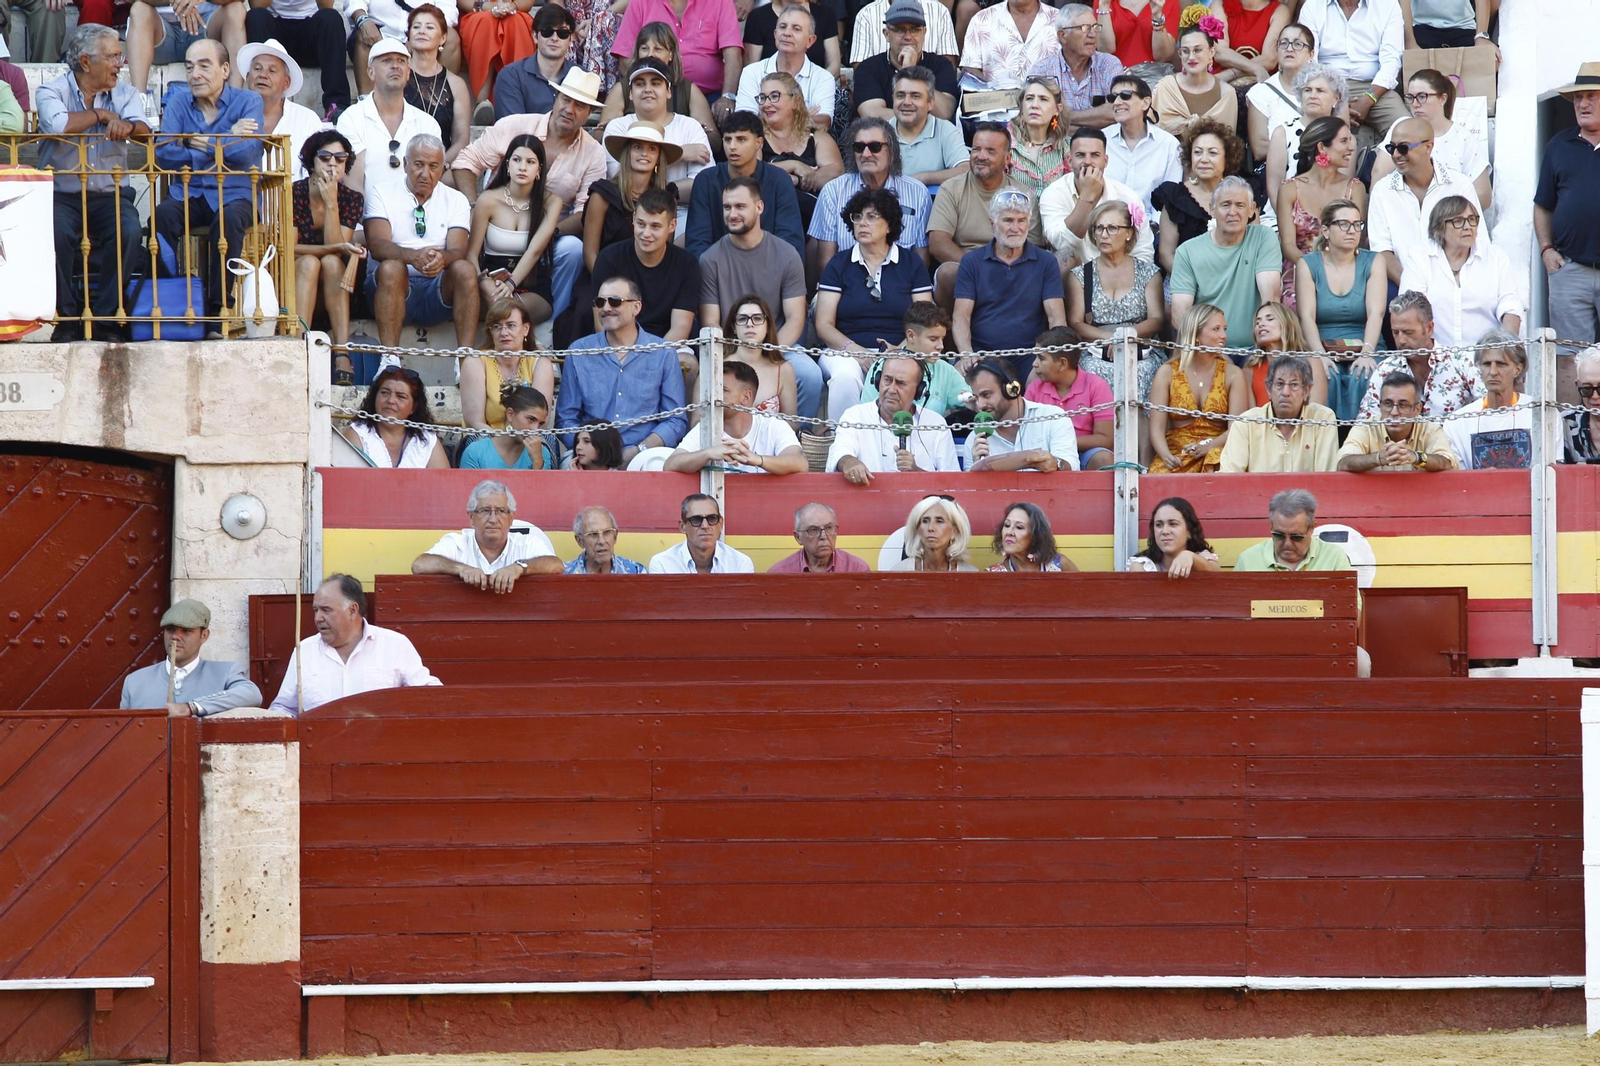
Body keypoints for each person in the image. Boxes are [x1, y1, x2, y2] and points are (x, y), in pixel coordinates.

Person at [39, 25, 151, 343]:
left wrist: (127, 125)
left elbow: (144, 129)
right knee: (55, 233)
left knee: (128, 230)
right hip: (62, 194)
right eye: (113, 56)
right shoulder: (51, 91)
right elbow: (59, 123)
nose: (121, 63)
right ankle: (67, 317)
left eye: (120, 55)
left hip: (109, 194)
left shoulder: (125, 92)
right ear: (86, 62)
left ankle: (106, 318)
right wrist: (101, 114)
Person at [154, 38, 264, 318]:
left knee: (227, 223)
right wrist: (227, 137)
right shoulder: (179, 102)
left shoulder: (249, 100)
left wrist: (193, 142)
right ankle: (167, 303)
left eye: (204, 66)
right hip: (189, 192)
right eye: (189, 68)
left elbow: (247, 152)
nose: (195, 75)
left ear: (225, 70)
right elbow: (163, 154)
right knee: (162, 216)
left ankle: (219, 309)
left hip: (236, 194)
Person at [817, 186, 935, 419]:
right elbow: (823, 324)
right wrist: (856, 352)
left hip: (902, 348)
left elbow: (926, 319)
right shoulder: (839, 264)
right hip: (845, 349)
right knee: (845, 378)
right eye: (857, 216)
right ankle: (842, 444)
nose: (862, 223)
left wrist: (901, 351)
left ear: (890, 224)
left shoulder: (911, 263)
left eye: (872, 216)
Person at [698, 178, 813, 411]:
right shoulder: (710, 260)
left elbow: (795, 319)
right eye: (727, 207)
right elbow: (711, 321)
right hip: (732, 347)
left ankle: (801, 438)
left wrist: (768, 351)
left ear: (759, 207)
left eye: (740, 207)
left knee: (810, 375)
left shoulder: (787, 254)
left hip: (778, 345)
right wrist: (735, 352)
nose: (732, 214)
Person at [364, 134, 479, 350]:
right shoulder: (381, 193)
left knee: (465, 270)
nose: (425, 174)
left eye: (433, 166)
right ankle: (390, 358)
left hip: (436, 288)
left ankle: (465, 359)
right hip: (391, 288)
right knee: (391, 268)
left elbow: (458, 250)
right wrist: (413, 257)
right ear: (405, 164)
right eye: (419, 164)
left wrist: (442, 258)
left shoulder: (456, 199)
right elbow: (377, 245)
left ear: (443, 168)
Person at [267, 574, 441, 716]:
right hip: (320, 751)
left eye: (326, 610)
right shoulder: (304, 650)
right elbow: (284, 708)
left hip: (382, 750)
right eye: (315, 610)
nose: (317, 618)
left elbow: (429, 696)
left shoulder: (395, 645)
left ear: (352, 610)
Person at [559, 275, 688, 460]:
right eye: (600, 302)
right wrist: (591, 449)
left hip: (645, 454)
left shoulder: (663, 352)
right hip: (590, 454)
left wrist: (639, 450)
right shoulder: (578, 351)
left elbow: (675, 420)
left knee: (656, 465)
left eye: (614, 301)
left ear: (636, 307)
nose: (606, 308)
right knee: (568, 470)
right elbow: (566, 419)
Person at [953, 188, 1066, 381]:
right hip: (983, 355)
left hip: (1031, 358)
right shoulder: (972, 261)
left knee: (1045, 382)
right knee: (958, 380)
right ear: (992, 223)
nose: (1016, 228)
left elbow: (1056, 318)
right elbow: (961, 316)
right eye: (1008, 220)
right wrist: (966, 354)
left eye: (1021, 220)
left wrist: (1047, 357)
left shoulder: (1046, 262)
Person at [929, 122, 1038, 308]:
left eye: (990, 151)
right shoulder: (952, 188)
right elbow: (938, 243)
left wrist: (1003, 269)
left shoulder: (1022, 194)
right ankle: (948, 336)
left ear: (1007, 158)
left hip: (1012, 266)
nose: (981, 156)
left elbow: (1034, 244)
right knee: (947, 273)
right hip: (965, 266)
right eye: (976, 149)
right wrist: (980, 270)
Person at [1367, 117, 1483, 286]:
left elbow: (1477, 242)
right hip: (1403, 287)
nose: (1396, 154)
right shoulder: (1382, 191)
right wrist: (1412, 286)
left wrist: (1453, 286)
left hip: (1457, 285)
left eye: (1403, 148)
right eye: (1391, 148)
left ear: (1428, 147)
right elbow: (1381, 251)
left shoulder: (1459, 184)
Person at [1169, 176, 1281, 349]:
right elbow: (1180, 317)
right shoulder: (1187, 251)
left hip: (1255, 351)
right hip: (1207, 351)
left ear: (1252, 210)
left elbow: (1270, 297)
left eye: (1240, 205)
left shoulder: (1264, 238)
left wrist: (1262, 350)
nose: (1233, 212)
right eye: (1225, 205)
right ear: (1212, 209)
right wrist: (1210, 354)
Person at [1400, 195, 1524, 352]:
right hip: (1434, 357)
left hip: (1486, 358)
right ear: (1439, 227)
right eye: (1458, 221)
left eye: (1472, 219)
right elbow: (1411, 309)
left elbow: (1510, 307)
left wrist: (1506, 350)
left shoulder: (1496, 257)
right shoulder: (1420, 256)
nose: (1468, 227)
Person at [466, 133, 563, 330]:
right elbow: (471, 253)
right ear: (508, 165)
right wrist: (483, 282)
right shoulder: (488, 200)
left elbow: (535, 251)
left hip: (532, 284)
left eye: (530, 161)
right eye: (517, 160)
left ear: (539, 169)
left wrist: (511, 283)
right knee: (502, 310)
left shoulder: (551, 203)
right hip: (490, 279)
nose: (522, 167)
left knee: (511, 313)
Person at [1535, 63, 1600, 351]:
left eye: (1591, 96)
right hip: (1571, 271)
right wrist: (1547, 250)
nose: (1583, 104)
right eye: (1578, 97)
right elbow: (1542, 205)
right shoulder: (1558, 146)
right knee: (1570, 360)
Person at [809, 117, 933, 266]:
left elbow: (921, 261)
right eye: (859, 147)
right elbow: (827, 264)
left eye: (875, 147)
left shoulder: (917, 193)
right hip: (848, 283)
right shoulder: (833, 192)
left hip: (900, 284)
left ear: (892, 151)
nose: (866, 154)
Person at [293, 130, 366, 380]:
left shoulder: (352, 199)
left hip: (334, 288)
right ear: (311, 162)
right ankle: (298, 344)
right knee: (311, 262)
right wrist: (326, 251)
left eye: (340, 158)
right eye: (324, 157)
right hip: (296, 280)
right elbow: (288, 248)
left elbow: (337, 247)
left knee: (332, 263)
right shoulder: (293, 193)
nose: (332, 164)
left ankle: (342, 352)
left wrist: (332, 203)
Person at [685, 109, 805, 260]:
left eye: (741, 139)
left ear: (758, 143)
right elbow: (697, 244)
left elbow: (790, 242)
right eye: (728, 140)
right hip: (718, 272)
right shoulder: (706, 180)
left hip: (769, 272)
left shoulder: (779, 180)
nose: (732, 146)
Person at [1065, 200, 1164, 379]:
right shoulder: (1080, 275)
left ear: (1129, 233)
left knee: (1143, 370)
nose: (1104, 234)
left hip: (1140, 346)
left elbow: (1156, 319)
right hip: (1096, 348)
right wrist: (1109, 338)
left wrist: (1127, 335)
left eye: (1112, 228)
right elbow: (1076, 323)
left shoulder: (1148, 272)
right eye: (1099, 228)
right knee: (1092, 370)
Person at [337, 37, 442, 204]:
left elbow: (430, 182)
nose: (395, 66)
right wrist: (372, 224)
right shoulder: (350, 119)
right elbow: (353, 184)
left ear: (408, 72)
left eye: (401, 61)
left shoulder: (427, 124)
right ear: (370, 72)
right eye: (386, 61)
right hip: (366, 221)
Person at [591, 187, 703, 344]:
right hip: (616, 345)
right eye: (641, 224)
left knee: (688, 364)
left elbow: (680, 328)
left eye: (655, 226)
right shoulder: (609, 258)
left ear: (672, 226)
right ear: (633, 219)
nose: (646, 233)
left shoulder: (687, 265)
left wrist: (650, 358)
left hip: (666, 347)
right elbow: (601, 323)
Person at [1148, 303, 1250, 473]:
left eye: (1224, 329)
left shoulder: (1233, 374)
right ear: (1196, 335)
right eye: (1216, 329)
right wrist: (1166, 456)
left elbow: (1236, 429)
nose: (1223, 335)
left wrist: (1209, 446)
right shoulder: (1167, 373)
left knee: (1216, 465)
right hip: (1176, 454)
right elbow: (1156, 429)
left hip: (1219, 451)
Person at [601, 58, 714, 209]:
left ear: (668, 91)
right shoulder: (618, 128)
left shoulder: (690, 126)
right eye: (640, 84)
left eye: (656, 83)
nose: (648, 89)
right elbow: (622, 183)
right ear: (630, 93)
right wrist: (678, 154)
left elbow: (701, 185)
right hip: (630, 212)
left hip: (680, 213)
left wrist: (649, 187)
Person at [1295, 199, 1385, 389]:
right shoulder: (1308, 264)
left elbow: (1376, 313)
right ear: (1326, 230)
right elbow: (1306, 316)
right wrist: (1319, 354)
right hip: (1320, 343)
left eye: (1356, 224)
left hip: (1366, 342)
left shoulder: (1375, 261)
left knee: (1365, 375)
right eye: (1343, 224)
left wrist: (1367, 353)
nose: (1352, 230)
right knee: (1324, 375)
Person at [1370, 68, 1491, 209]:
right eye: (1410, 97)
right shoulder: (1401, 126)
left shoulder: (1462, 137)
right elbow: (1379, 173)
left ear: (1442, 98)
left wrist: (1449, 217)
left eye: (1422, 96)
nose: (1415, 104)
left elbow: (1483, 195)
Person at [412, 480, 563, 592]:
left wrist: (518, 568)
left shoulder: (527, 543)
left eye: (500, 511)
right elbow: (419, 565)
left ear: (511, 518)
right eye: (485, 511)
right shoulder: (457, 542)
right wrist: (461, 569)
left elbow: (556, 565)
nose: (493, 519)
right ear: (471, 517)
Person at [119, 599, 262, 716]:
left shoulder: (224, 673)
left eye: (186, 631)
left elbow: (252, 694)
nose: (175, 637)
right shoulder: (135, 681)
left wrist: (191, 707)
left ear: (204, 636)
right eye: (170, 630)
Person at [827, 355, 960, 480]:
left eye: (901, 383)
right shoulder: (855, 415)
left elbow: (952, 483)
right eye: (887, 380)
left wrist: (916, 471)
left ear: (919, 391)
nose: (891, 389)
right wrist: (849, 462)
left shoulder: (936, 424)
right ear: (878, 381)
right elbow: (839, 453)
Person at [1296, 0, 1406, 151]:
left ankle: (1379, 171)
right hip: (1327, 86)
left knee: (1406, 131)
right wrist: (1337, 101)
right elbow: (1309, 59)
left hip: (1375, 86)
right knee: (1316, 135)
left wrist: (1369, 99)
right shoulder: (1313, 5)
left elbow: (1392, 61)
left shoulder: (1387, 5)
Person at [1357, 290, 1484, 420]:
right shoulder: (1385, 370)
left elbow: (1487, 407)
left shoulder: (1461, 363)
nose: (1401, 340)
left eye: (1408, 332)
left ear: (1429, 328)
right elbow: (1365, 423)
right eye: (1395, 332)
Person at [1041, 125, 1155, 267]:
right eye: (1080, 155)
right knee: (1065, 257)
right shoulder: (1054, 193)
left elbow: (1143, 252)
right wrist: (1087, 196)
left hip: (1118, 273)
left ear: (1105, 161)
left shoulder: (1126, 197)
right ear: (1069, 161)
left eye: (1095, 155)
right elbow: (1062, 243)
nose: (1088, 161)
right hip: (1074, 277)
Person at [611, 0, 742, 124]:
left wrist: (728, 96)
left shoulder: (719, 2)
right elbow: (625, 62)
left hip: (710, 96)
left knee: (723, 123)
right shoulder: (640, 3)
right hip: (655, 92)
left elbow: (733, 54)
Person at [665, 361, 807, 473]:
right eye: (713, 390)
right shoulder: (707, 428)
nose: (714, 396)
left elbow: (800, 462)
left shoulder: (772, 425)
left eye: (723, 390)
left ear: (746, 397)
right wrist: (708, 453)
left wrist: (757, 460)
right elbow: (671, 464)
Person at [1275, 115, 1364, 294]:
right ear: (1322, 147)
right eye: (1344, 141)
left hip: (1344, 270)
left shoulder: (1354, 188)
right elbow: (1288, 245)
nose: (1351, 147)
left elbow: (1357, 242)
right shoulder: (1290, 189)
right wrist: (1314, 269)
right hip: (1301, 270)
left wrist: (1333, 269)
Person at [584, 119, 680, 273]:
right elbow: (590, 253)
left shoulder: (668, 196)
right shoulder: (603, 193)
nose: (644, 154)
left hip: (650, 280)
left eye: (652, 149)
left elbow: (665, 251)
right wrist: (608, 287)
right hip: (604, 278)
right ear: (627, 153)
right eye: (637, 147)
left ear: (658, 157)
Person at [1152, 118, 1245, 273]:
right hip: (1186, 283)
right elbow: (1166, 255)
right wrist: (1196, 285)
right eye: (1197, 152)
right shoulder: (1175, 197)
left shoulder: (1242, 195)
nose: (1204, 159)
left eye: (1213, 153)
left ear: (1227, 158)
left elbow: (1251, 250)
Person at [1219, 354, 1339, 472]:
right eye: (1279, 384)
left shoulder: (1322, 419)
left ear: (1306, 391)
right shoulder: (1246, 423)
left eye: (1294, 385)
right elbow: (1228, 479)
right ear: (1269, 389)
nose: (1285, 392)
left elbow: (1326, 479)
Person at [599, 20, 717, 138]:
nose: (651, 54)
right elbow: (599, 137)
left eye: (658, 49)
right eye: (644, 48)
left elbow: (714, 142)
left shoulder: (688, 90)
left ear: (670, 54)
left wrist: (699, 132)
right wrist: (610, 128)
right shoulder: (622, 88)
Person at [964, 358, 1081, 472]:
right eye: (976, 397)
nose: (980, 405)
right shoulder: (975, 440)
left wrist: (1056, 463)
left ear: (1011, 389)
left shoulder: (1054, 417)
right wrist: (977, 469)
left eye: (986, 395)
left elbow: (1071, 466)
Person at [760, 70, 845, 226]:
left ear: (795, 101)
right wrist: (793, 165)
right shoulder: (755, 136)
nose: (766, 104)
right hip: (768, 218)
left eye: (774, 96)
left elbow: (835, 172)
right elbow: (752, 171)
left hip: (814, 220)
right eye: (763, 98)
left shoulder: (817, 137)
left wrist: (797, 180)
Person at [857, 303, 969, 420]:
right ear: (911, 336)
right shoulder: (881, 366)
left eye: (942, 339)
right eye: (933, 339)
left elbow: (969, 399)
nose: (940, 346)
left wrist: (972, 400)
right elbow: (866, 415)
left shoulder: (946, 371)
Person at [733, 3, 836, 127]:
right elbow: (745, 122)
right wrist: (802, 116)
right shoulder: (752, 72)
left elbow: (823, 122)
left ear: (810, 41)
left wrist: (769, 116)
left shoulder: (823, 77)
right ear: (775, 34)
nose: (787, 33)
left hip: (805, 144)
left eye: (796, 29)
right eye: (782, 27)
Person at [460, 297, 556, 430]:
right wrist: (502, 445)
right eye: (497, 327)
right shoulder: (475, 361)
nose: (504, 333)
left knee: (546, 443)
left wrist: (518, 445)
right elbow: (474, 422)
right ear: (491, 331)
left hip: (528, 438)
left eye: (511, 325)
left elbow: (541, 422)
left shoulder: (540, 364)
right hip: (484, 440)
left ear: (526, 329)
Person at [853, 0, 958, 120]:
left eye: (915, 30)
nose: (908, 37)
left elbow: (945, 112)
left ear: (924, 32)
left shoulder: (940, 65)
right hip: (886, 136)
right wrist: (920, 119)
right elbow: (872, 113)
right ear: (886, 34)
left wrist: (911, 71)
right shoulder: (869, 67)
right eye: (900, 30)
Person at [1444, 330, 1533, 471]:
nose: (1492, 372)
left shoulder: (1539, 413)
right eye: (1486, 364)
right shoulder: (1456, 422)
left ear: (1518, 369)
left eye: (1501, 364)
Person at [1336, 370, 1460, 472]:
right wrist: (1378, 458)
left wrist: (1416, 457)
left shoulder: (1430, 430)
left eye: (1403, 405)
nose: (1394, 412)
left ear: (1417, 409)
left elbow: (1448, 463)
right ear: (1379, 406)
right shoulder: (1366, 428)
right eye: (1388, 404)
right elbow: (1343, 463)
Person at [1263, 61, 1347, 208]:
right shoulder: (1282, 133)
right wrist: (1291, 224)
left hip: (1331, 217)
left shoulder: (1344, 137)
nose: (1312, 96)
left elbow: (1345, 187)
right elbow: (1274, 189)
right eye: (1307, 90)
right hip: (1283, 216)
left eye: (1320, 90)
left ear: (1336, 98)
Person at [245, 0, 349, 118]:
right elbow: (257, 5)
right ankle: (257, 104)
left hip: (310, 32)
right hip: (273, 35)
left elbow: (326, 6)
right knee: (256, 16)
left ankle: (336, 105)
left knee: (331, 18)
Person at [239, 38, 325, 181]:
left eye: (272, 71)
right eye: (257, 69)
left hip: (293, 202)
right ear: (248, 77)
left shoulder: (307, 119)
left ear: (286, 82)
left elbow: (314, 178)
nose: (263, 75)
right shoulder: (230, 115)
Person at [1102, 73, 1182, 220]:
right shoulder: (1101, 140)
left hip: (1152, 231)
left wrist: (1152, 228)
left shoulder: (1168, 145)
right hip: (1105, 228)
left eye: (1125, 95)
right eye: (1113, 97)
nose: (1117, 102)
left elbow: (1171, 198)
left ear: (1145, 103)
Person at [1026, 337, 1115, 469]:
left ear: (1062, 364)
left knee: (1103, 459)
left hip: (1085, 451)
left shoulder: (1095, 385)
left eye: (1041, 358)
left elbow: (1105, 439)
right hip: (1045, 452)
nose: (1034, 364)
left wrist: (1062, 442)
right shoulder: (1035, 388)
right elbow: (1025, 434)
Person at [1028, 4, 1123, 126]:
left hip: (1103, 144)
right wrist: (1096, 118)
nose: (1093, 34)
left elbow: (1118, 112)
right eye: (1085, 28)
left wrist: (1058, 117)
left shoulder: (1109, 64)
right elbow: (1036, 120)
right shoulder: (1042, 71)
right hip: (1056, 145)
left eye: (1095, 27)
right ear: (1063, 35)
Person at [340, 365, 451, 468]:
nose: (391, 400)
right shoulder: (357, 433)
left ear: (413, 407)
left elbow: (443, 485)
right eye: (384, 393)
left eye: (401, 396)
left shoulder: (428, 440)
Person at [126, 0, 245, 96]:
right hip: (160, 29)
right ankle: (138, 100)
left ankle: (235, 99)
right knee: (139, 9)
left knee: (236, 9)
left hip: (207, 27)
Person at [346, 0, 461, 96]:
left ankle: (438, 99)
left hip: (420, 32)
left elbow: (448, 11)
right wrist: (363, 20)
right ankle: (367, 105)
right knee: (362, 34)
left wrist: (419, 34)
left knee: (450, 37)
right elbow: (355, 2)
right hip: (379, 34)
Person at [403, 4, 470, 164]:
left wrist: (436, 166)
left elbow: (461, 140)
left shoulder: (456, 84)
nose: (422, 31)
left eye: (429, 27)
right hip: (400, 163)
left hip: (441, 166)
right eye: (416, 27)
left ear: (443, 38)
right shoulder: (398, 75)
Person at [889, 66, 968, 190]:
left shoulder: (944, 129)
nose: (907, 102)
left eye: (915, 96)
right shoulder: (881, 132)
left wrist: (924, 178)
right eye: (900, 95)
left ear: (930, 103)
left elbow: (965, 170)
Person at [1245, 20, 1314, 161]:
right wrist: (1309, 150)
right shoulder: (1260, 93)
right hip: (1276, 169)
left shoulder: (1325, 90)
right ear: (1277, 51)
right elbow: (1259, 149)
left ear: (1311, 54)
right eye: (1283, 43)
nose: (1289, 49)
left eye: (1297, 44)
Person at [1153, 23, 1238, 134]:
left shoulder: (1226, 93)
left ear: (1211, 52)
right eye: (1185, 51)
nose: (1191, 57)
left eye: (1197, 50)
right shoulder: (1165, 88)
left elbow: (1228, 144)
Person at [457, 0, 537, 120]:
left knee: (516, 22)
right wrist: (486, 6)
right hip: (477, 10)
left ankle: (520, 98)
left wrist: (511, 6)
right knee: (485, 21)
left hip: (514, 11)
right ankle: (482, 104)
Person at [960, 0, 1057, 90]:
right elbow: (970, 70)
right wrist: (992, 91)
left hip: (1050, 105)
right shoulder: (981, 19)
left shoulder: (1059, 20)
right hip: (995, 105)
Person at [724, 294, 797, 414]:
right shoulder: (716, 365)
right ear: (734, 327)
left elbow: (792, 422)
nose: (750, 324)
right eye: (742, 319)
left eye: (757, 318)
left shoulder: (783, 370)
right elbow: (698, 421)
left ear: (768, 326)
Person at [648, 494, 756, 574]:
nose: (705, 526)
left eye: (712, 518)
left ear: (721, 523)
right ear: (682, 527)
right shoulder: (662, 564)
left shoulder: (740, 563)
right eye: (696, 520)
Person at [459, 384, 558, 470]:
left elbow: (540, 490)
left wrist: (537, 462)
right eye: (530, 419)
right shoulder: (476, 452)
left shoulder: (541, 452)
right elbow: (468, 490)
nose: (535, 429)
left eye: (540, 423)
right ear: (510, 414)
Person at [1250, 299, 1327, 407]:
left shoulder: (1312, 363)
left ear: (1287, 324)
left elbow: (1316, 413)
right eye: (1257, 322)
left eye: (1270, 319)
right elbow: (1248, 419)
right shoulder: (1250, 370)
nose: (1260, 324)